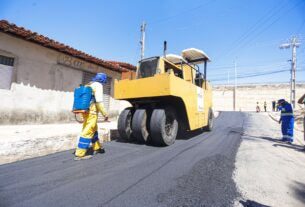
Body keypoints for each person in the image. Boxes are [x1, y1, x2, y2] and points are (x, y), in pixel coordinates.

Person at [74, 73, 109, 160]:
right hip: (92, 112)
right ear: (103, 80)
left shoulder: (90, 84)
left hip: (85, 111)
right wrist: (105, 114)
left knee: (93, 130)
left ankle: (97, 147)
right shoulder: (98, 85)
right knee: (87, 131)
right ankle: (80, 154)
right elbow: (99, 102)